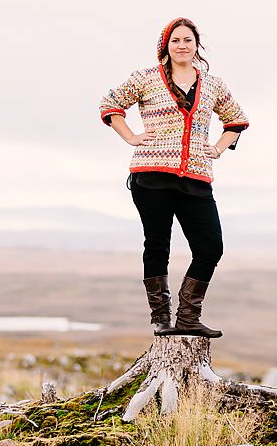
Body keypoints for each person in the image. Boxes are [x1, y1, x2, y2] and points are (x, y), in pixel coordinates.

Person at [98, 17, 249, 338]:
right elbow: (110, 103)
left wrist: (219, 148)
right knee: (157, 246)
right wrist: (130, 136)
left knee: (210, 247)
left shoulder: (213, 85)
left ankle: (188, 317)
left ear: (197, 46)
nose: (182, 46)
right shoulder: (145, 79)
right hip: (151, 176)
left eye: (188, 40)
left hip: (196, 178)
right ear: (166, 46)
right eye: (176, 40)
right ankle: (161, 319)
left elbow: (236, 119)